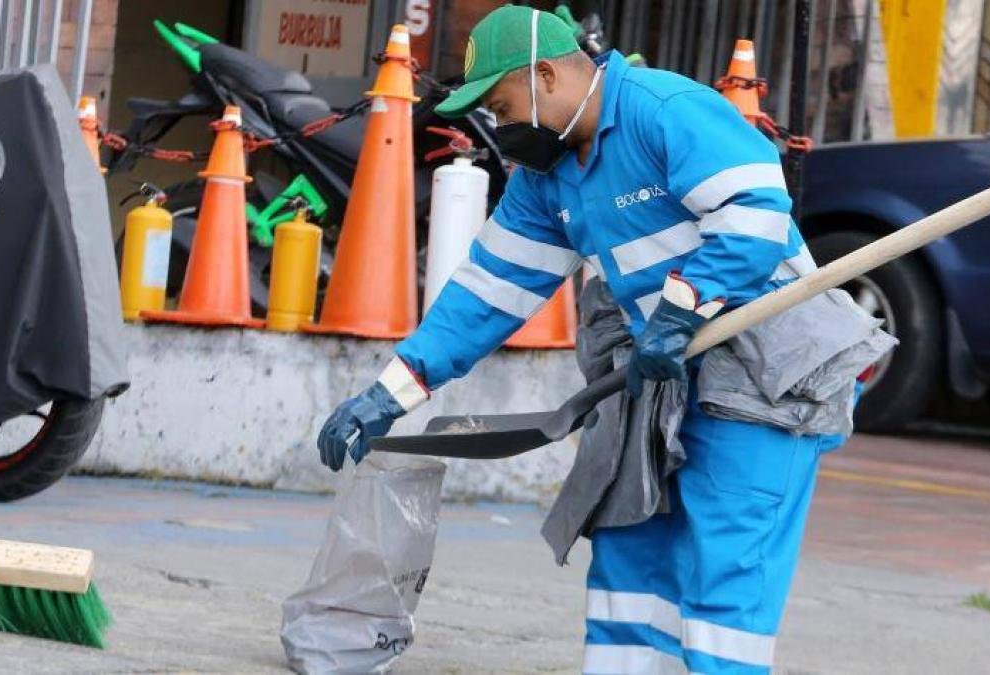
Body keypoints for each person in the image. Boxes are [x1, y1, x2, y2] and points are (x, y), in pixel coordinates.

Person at [317, 5, 835, 673]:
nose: (501, 129)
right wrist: (390, 392)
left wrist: (678, 310)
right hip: (665, 366)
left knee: (724, 569)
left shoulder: (663, 109)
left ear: (546, 75)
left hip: (765, 369)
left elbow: (758, 215)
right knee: (626, 543)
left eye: (503, 108)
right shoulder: (547, 177)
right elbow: (487, 293)